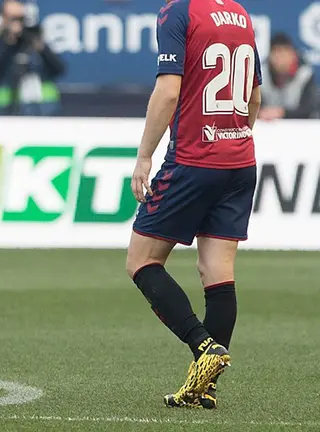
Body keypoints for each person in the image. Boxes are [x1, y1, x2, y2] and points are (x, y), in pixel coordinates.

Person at [125, 0, 262, 409]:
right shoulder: (240, 13)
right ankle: (206, 388)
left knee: (141, 261)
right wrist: (233, 140)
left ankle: (206, 348)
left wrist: (145, 156)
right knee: (217, 270)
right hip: (240, 160)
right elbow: (254, 97)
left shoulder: (178, 11)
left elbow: (168, 92)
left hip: (193, 160)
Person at [258, 32, 319, 120]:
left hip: (298, 127)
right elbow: (253, 106)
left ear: (293, 55)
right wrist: (261, 112)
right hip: (267, 126)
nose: (280, 58)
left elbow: (309, 109)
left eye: (284, 52)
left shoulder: (305, 74)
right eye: (276, 52)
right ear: (270, 56)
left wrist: (282, 113)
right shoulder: (261, 75)